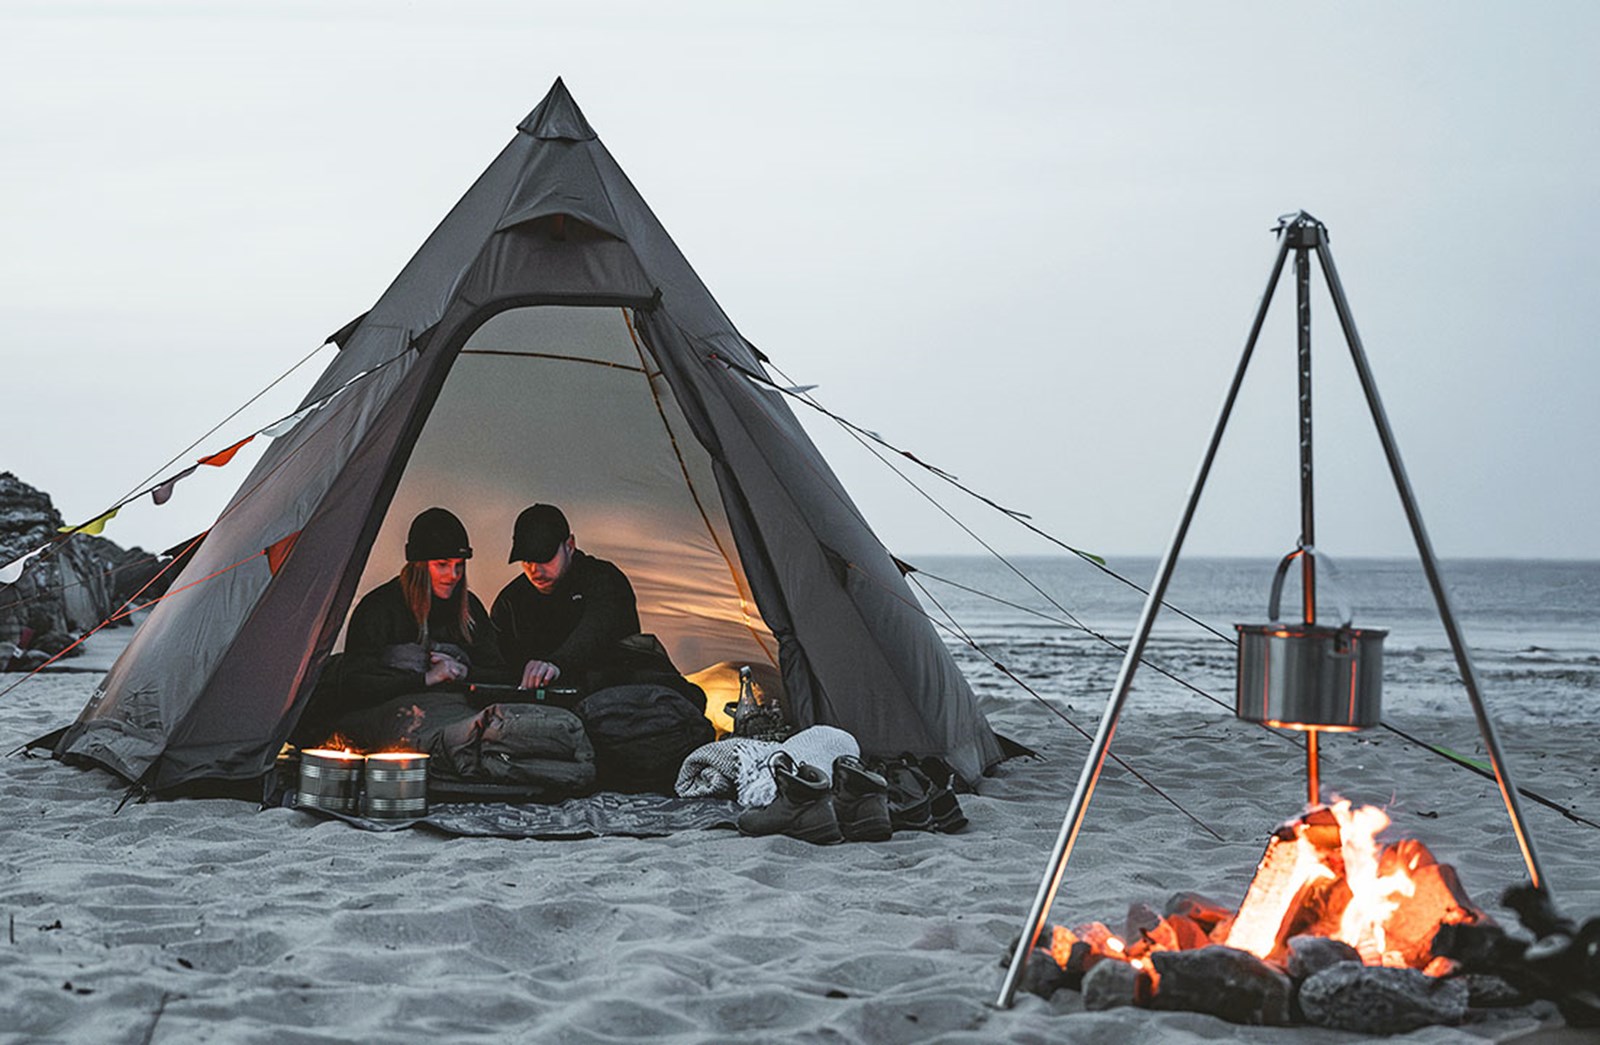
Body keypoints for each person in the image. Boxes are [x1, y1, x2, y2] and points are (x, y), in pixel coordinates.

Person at [294, 506, 511, 749]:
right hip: (398, 715)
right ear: (420, 565)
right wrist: (426, 678)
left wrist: (463, 672)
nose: (453, 574)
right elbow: (356, 684)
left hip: (455, 711)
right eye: (442, 564)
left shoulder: (470, 610)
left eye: (459, 565)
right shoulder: (379, 608)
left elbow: (501, 674)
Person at [491, 503, 642, 693]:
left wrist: (556, 664)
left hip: (612, 694)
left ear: (570, 545)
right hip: (538, 703)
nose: (535, 570)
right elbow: (493, 658)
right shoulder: (510, 601)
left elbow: (598, 628)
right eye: (527, 560)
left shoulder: (605, 580)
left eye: (545, 558)